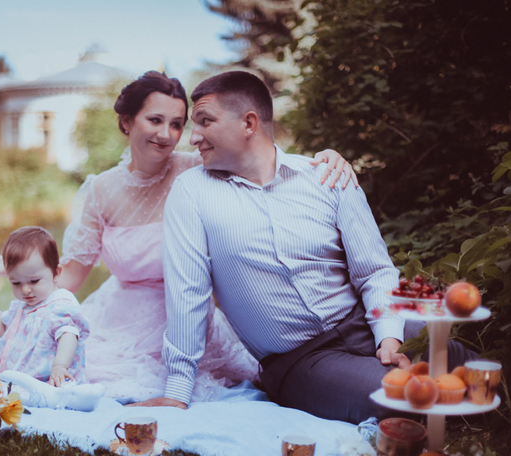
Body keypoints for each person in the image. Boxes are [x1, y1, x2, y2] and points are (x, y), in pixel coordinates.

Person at [0, 71, 358, 404]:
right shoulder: (101, 190)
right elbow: (68, 277)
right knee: (86, 373)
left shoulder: (198, 168)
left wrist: (323, 160)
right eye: (155, 120)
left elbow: (258, 157)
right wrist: (8, 268)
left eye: (177, 124)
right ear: (127, 122)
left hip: (186, 317)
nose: (167, 133)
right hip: (119, 319)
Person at [137, 71, 480, 423]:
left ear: (249, 123)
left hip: (364, 319)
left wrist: (389, 336)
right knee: (401, 396)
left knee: (473, 368)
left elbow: (375, 272)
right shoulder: (192, 192)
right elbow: (188, 292)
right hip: (300, 361)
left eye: (205, 121)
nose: (193, 137)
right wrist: (177, 391)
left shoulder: (326, 176)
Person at [0, 226, 88, 386]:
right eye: (16, 283)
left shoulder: (61, 304)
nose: (25, 289)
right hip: (23, 378)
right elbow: (7, 333)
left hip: (51, 380)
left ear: (56, 273)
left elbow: (68, 335)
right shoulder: (22, 306)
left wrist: (60, 366)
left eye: (34, 281)